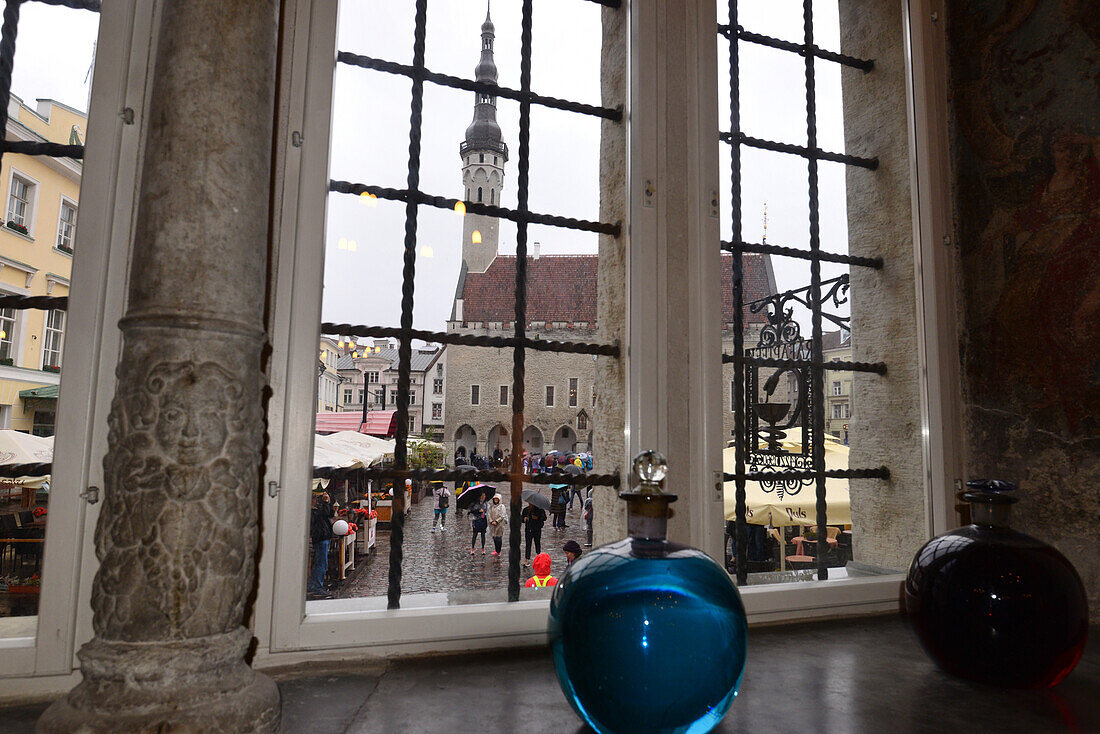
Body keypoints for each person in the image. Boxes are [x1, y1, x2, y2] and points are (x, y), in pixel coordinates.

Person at [308, 491, 334, 599]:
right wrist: (325, 503)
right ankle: (316, 587)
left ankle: (314, 586)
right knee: (321, 564)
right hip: (320, 538)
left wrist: (328, 503)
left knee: (321, 563)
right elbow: (323, 514)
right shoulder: (312, 512)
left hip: (323, 537)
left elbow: (330, 513)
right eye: (315, 498)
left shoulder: (319, 509)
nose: (317, 500)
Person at [521, 501, 546, 566]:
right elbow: (521, 518)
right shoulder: (526, 510)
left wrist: (538, 518)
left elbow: (544, 518)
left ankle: (539, 556)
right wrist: (524, 519)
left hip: (537, 529)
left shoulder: (540, 510)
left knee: (537, 543)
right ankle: (527, 559)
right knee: (528, 544)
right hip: (528, 529)